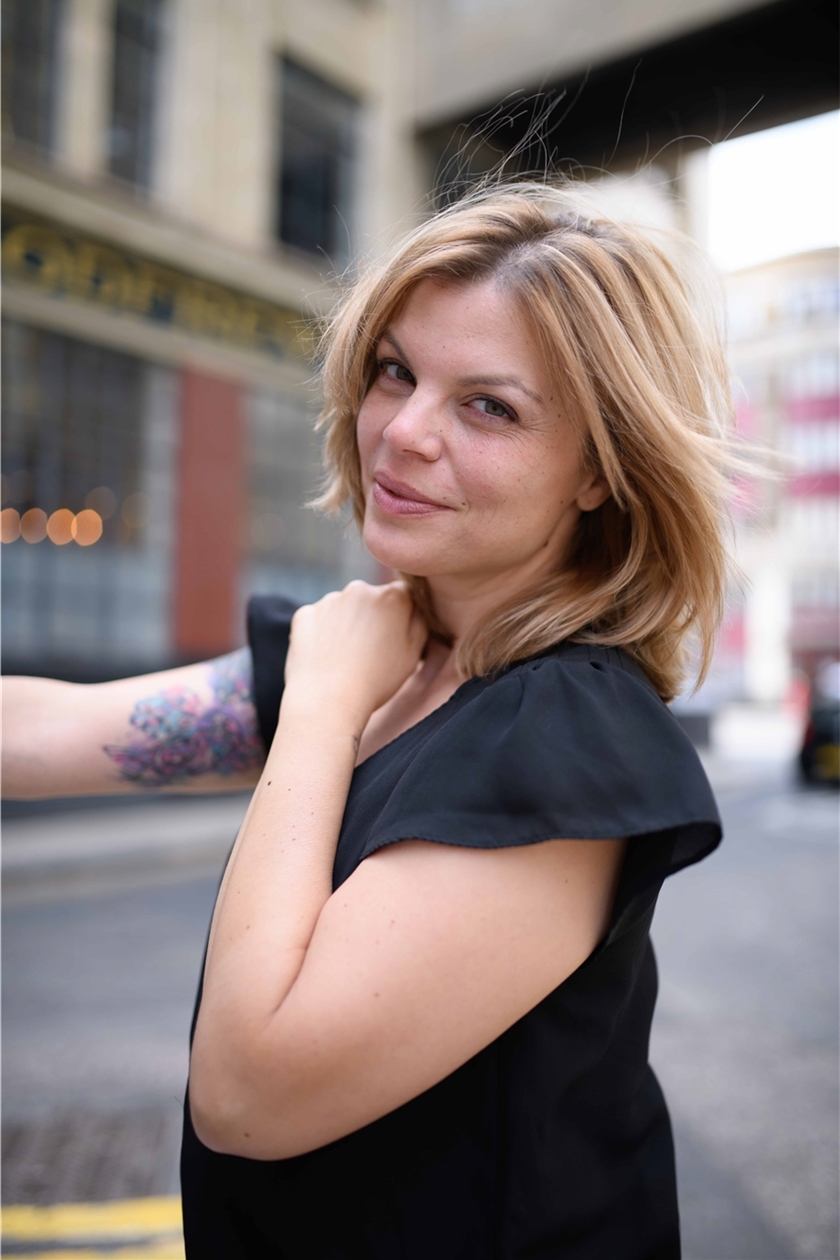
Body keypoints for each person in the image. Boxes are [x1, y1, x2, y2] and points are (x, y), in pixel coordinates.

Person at [3, 182, 733, 1259]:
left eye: (489, 407)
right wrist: (330, 688)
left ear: (598, 469)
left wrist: (322, 707)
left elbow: (247, 1095)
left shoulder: (563, 734)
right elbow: (37, 733)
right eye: (396, 371)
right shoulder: (386, 651)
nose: (403, 432)